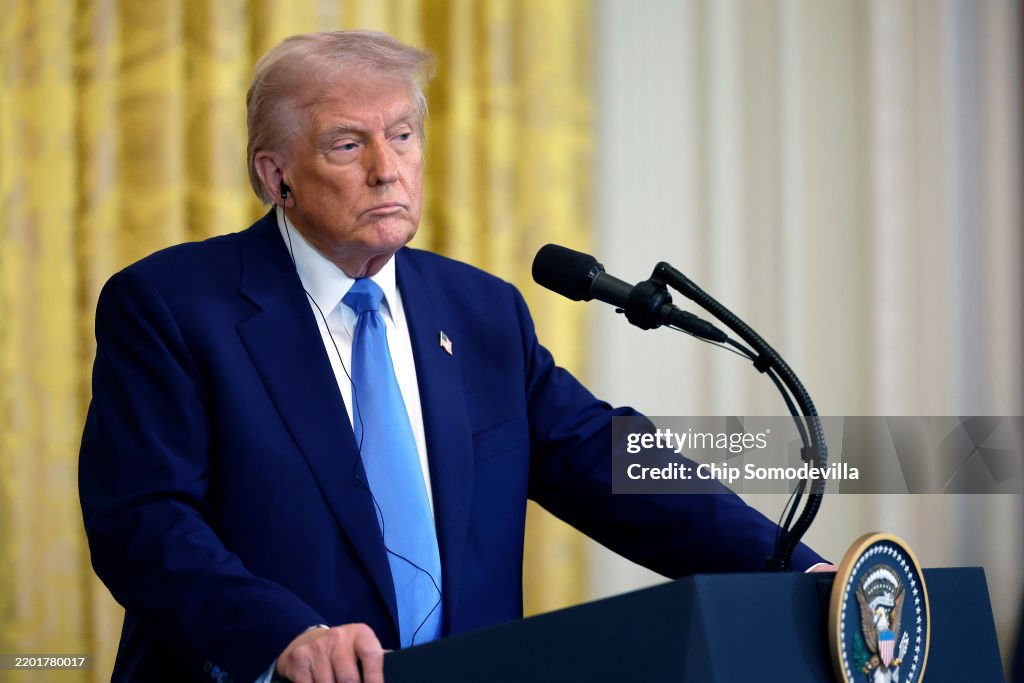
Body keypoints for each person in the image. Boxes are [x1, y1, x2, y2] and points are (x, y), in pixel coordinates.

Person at [78, 30, 826, 683]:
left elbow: (604, 461)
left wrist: (793, 573)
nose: (386, 167)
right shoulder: (172, 306)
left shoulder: (481, 311)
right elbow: (143, 520)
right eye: (348, 144)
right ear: (275, 176)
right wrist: (279, 636)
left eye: (402, 136)